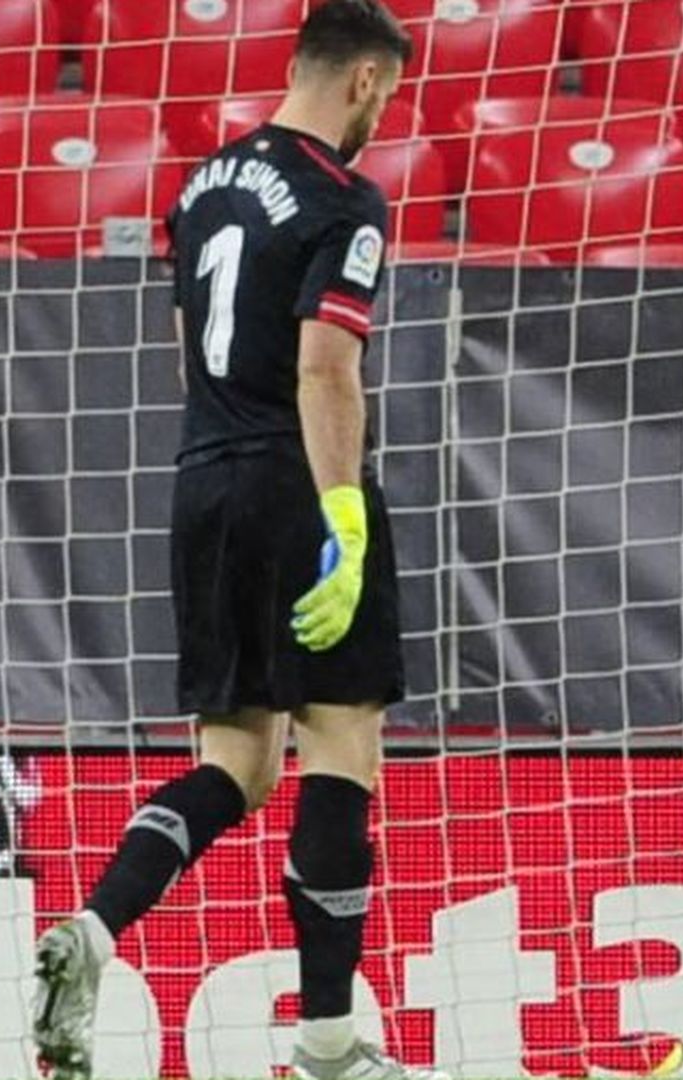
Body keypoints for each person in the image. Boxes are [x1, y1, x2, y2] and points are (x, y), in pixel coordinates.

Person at [28, 3, 439, 1078]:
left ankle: (94, 930)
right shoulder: (346, 197)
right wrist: (343, 515)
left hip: (202, 483)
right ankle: (329, 1043)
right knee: (342, 745)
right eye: (386, 98)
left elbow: (184, 352)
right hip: (296, 481)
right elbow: (324, 366)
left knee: (236, 764)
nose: (382, 119)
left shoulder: (201, 187)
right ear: (359, 81)